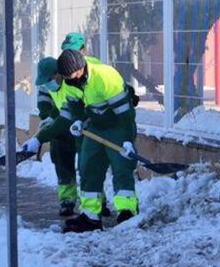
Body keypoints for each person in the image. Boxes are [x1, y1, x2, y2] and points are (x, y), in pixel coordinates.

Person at [33, 49, 139, 233]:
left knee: (121, 165)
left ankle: (127, 211)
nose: (69, 81)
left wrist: (127, 140)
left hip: (117, 124)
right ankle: (91, 216)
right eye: (65, 77)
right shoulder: (69, 81)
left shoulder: (106, 78)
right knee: (87, 166)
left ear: (80, 69)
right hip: (95, 125)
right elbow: (72, 109)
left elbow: (125, 114)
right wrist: (78, 120)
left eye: (71, 76)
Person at [21, 57, 85, 216]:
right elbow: (45, 104)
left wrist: (42, 136)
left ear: (58, 74)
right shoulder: (46, 83)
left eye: (49, 79)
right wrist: (47, 117)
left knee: (88, 166)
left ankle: (97, 203)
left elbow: (68, 108)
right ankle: (67, 201)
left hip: (80, 128)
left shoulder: (72, 82)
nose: (47, 84)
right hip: (59, 129)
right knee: (62, 163)